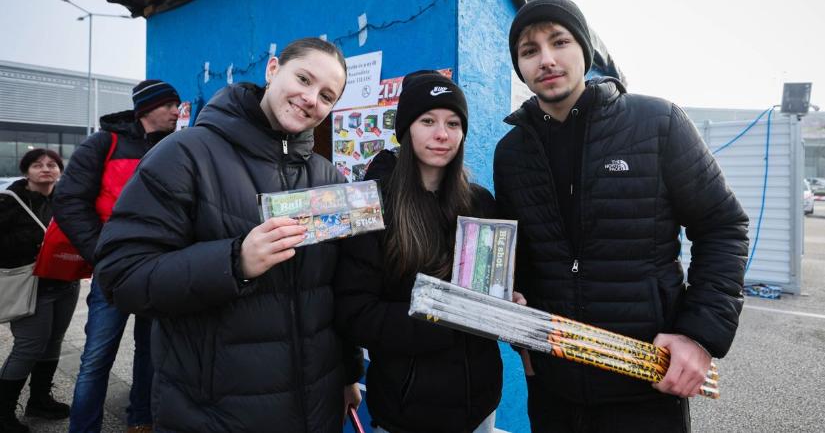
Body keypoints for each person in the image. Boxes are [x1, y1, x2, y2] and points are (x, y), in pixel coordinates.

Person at [493, 0, 750, 432]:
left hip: (645, 382)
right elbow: (524, 256)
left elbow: (723, 226)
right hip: (554, 387)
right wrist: (521, 330)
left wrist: (699, 335)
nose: (547, 59)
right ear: (519, 65)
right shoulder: (511, 152)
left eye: (559, 42)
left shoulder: (656, 122)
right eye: (530, 50)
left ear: (585, 51)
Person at [93, 37, 363, 432]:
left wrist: (348, 372)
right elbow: (120, 275)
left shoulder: (327, 178)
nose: (310, 99)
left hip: (316, 408)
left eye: (326, 95)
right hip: (216, 412)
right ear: (273, 70)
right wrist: (234, 262)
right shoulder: (184, 155)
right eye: (303, 79)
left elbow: (336, 291)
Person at [334, 71, 505, 433]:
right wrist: (443, 324)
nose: (442, 134)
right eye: (427, 121)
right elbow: (355, 312)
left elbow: (491, 289)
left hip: (480, 408)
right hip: (407, 413)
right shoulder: (370, 205)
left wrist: (506, 303)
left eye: (453, 123)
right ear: (406, 129)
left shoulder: (480, 203)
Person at [52, 79, 181, 433]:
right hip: (113, 270)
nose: (176, 112)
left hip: (158, 268)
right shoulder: (103, 143)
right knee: (97, 357)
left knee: (151, 353)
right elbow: (68, 200)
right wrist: (101, 252)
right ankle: (84, 427)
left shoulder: (177, 147)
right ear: (148, 108)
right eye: (171, 105)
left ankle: (141, 420)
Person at [0, 150, 78, 433]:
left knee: (53, 341)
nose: (45, 169)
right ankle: (3, 412)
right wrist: (38, 243)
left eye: (52, 165)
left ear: (59, 171)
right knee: (28, 347)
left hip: (66, 283)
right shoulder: (8, 202)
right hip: (31, 286)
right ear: (26, 171)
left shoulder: (67, 200)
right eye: (37, 165)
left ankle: (40, 399)